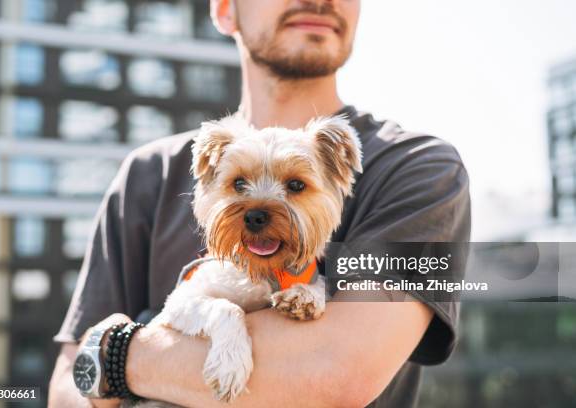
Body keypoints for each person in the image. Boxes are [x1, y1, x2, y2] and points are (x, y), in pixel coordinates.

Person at [48, 0, 471, 407]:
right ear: (224, 7)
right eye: (238, 185)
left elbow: (334, 376)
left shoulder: (419, 170)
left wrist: (116, 358)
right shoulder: (147, 174)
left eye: (296, 186)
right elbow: (67, 388)